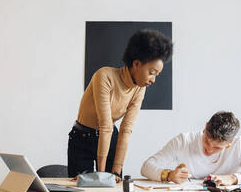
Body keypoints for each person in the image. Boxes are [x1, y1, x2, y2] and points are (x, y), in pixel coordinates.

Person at [68, 29, 173, 181]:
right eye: (151, 72)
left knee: (114, 189)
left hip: (111, 138)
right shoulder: (104, 76)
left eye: (156, 75)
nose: (153, 80)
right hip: (82, 139)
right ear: (136, 64)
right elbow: (105, 125)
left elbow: (126, 129)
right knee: (81, 191)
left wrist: (116, 172)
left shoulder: (139, 89)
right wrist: (101, 176)